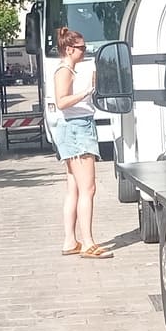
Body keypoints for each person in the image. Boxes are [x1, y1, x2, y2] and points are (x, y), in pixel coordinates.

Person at [51, 27, 109, 258]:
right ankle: (88, 242)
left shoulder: (68, 69)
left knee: (74, 189)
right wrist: (86, 92)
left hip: (72, 128)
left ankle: (70, 240)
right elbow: (61, 101)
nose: (84, 52)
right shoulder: (65, 71)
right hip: (77, 128)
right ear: (69, 49)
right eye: (81, 48)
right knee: (88, 188)